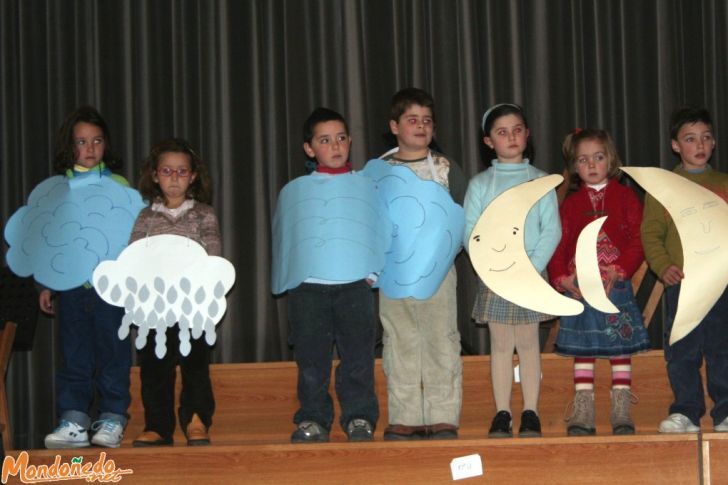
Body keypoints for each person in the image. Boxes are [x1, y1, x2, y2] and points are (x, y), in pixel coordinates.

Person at [274, 108, 379, 443]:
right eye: (324, 140)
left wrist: (371, 273)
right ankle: (314, 418)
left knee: (358, 358)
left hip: (354, 288)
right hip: (309, 289)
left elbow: (378, 229)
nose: (335, 146)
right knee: (311, 361)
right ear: (309, 149)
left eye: (341, 138)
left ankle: (359, 417)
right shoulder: (296, 191)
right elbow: (286, 237)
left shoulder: (366, 186)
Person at [463, 103, 560, 438]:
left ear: (527, 134)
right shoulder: (480, 184)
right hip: (497, 277)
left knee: (529, 343)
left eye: (517, 129)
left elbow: (552, 230)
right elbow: (471, 232)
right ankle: (502, 412)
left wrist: (530, 269)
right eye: (502, 132)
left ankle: (530, 412)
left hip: (529, 275)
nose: (511, 137)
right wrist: (493, 270)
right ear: (489, 141)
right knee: (501, 345)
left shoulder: (541, 180)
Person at [548, 128, 651, 435]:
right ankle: (584, 407)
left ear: (611, 160)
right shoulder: (570, 204)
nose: (591, 165)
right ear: (574, 167)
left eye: (598, 157)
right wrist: (561, 278)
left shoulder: (626, 197)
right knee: (584, 346)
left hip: (614, 283)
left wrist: (621, 269)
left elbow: (639, 240)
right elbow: (559, 244)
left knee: (619, 345)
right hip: (580, 287)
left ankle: (621, 407)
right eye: (583, 160)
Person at [41, 106, 132, 448]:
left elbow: (130, 235)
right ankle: (73, 420)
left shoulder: (119, 185)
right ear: (70, 146)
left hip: (110, 288)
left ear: (106, 144)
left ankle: (111, 418)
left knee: (113, 352)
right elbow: (52, 238)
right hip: (72, 287)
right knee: (75, 354)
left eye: (96, 141)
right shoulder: (57, 189)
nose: (90, 148)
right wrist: (49, 281)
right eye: (81, 142)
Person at [379, 88, 466, 440]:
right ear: (394, 126)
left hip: (438, 271)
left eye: (427, 121)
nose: (420, 126)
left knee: (441, 338)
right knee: (399, 340)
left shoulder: (446, 169)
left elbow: (463, 218)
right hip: (393, 272)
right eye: (412, 120)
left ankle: (443, 414)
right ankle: (405, 415)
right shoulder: (378, 171)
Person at [642, 107, 728, 434]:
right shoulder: (664, 187)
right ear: (676, 146)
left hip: (720, 285)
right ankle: (687, 412)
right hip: (683, 285)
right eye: (690, 139)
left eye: (706, 137)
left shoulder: (723, 183)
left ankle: (725, 412)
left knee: (722, 349)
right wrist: (663, 267)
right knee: (683, 350)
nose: (700, 144)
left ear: (714, 142)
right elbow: (651, 233)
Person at [129, 138, 220, 446]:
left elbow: (214, 258)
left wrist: (208, 288)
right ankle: (158, 425)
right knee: (155, 368)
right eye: (167, 171)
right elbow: (134, 257)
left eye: (182, 171)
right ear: (155, 175)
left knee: (196, 366)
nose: (174, 177)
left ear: (193, 176)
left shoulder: (204, 214)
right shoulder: (146, 217)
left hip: (192, 306)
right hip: (154, 308)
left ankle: (197, 419)